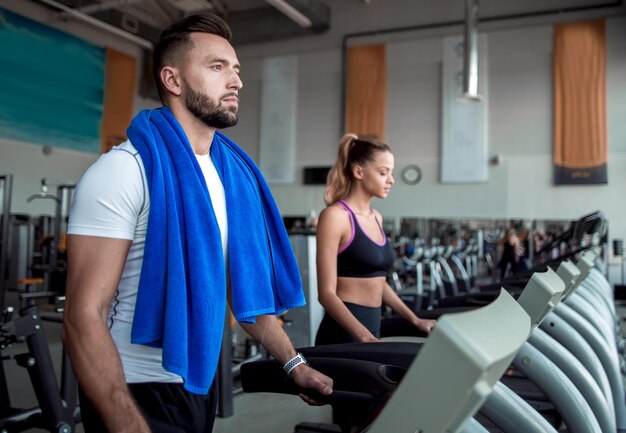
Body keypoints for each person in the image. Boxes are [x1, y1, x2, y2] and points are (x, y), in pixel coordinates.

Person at [62, 13, 332, 433]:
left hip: (197, 383)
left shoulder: (233, 176)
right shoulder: (123, 171)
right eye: (217, 67)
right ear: (172, 80)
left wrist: (295, 364)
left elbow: (245, 297)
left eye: (236, 69)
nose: (236, 81)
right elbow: (83, 316)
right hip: (133, 386)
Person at [314, 134, 436, 345]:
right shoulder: (335, 217)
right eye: (383, 172)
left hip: (372, 328)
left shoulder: (376, 217)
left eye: (391, 172)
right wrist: (364, 337)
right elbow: (326, 294)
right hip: (344, 333)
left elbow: (379, 283)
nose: (391, 180)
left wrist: (414, 320)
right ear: (358, 171)